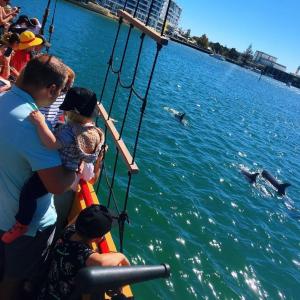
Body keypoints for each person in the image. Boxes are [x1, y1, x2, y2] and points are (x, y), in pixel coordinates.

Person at [0, 54, 75, 300]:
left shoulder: (3, 97)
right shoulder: (31, 128)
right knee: (12, 281)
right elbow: (56, 185)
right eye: (60, 91)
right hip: (25, 228)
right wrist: (77, 160)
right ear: (52, 89)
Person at [1, 87, 105, 243]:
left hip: (56, 170)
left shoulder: (69, 131)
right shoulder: (91, 131)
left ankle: (22, 223)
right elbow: (82, 153)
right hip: (69, 169)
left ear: (72, 112)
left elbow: (52, 143)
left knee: (28, 193)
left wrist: (40, 123)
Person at [38, 204, 130, 300]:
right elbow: (103, 263)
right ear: (98, 238)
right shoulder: (83, 255)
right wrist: (121, 256)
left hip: (45, 291)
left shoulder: (68, 231)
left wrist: (91, 212)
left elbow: (79, 217)